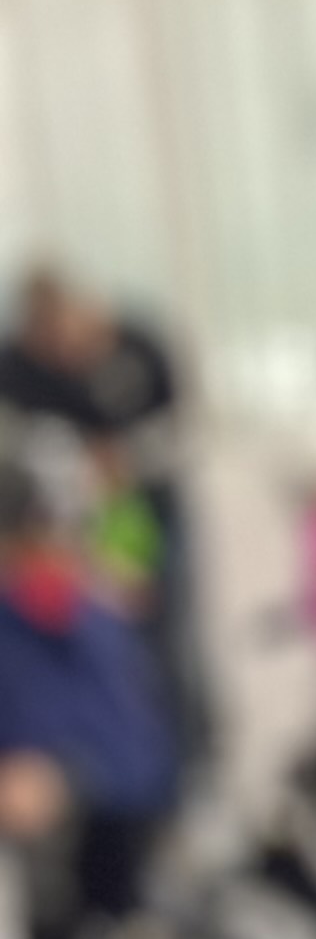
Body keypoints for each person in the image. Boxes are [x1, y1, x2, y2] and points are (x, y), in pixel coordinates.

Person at [0, 433, 180, 939]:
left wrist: (42, 764)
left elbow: (91, 713)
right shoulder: (44, 600)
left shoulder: (69, 601)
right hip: (73, 778)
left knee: (81, 900)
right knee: (60, 905)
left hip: (104, 783)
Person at [2, 260, 204, 774]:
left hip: (142, 512)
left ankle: (177, 768)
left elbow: (186, 430)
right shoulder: (19, 368)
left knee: (164, 647)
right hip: (67, 531)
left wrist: (124, 461)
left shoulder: (141, 346)